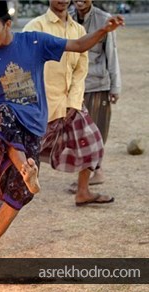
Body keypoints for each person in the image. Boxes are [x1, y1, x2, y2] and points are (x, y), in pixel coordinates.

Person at [0, 0, 124, 257]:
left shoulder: (34, 42)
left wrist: (104, 30)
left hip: (32, 128)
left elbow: (78, 45)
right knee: (3, 113)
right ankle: (25, 168)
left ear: (8, 24)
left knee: (19, 193)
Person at [23, 0, 115, 205]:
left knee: (93, 144)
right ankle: (2, 195)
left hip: (70, 103)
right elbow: (24, 65)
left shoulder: (78, 29)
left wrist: (74, 102)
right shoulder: (35, 27)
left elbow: (81, 70)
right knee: (24, 153)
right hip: (42, 105)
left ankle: (83, 192)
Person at [70, 0, 121, 187]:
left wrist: (115, 87)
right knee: (78, 133)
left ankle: (95, 173)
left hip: (97, 85)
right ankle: (86, 174)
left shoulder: (104, 19)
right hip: (75, 86)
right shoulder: (67, 17)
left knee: (97, 131)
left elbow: (112, 54)